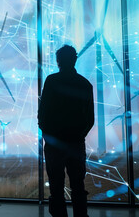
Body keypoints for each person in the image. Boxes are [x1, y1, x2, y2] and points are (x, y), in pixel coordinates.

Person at [38, 45, 94, 217]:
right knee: (78, 184)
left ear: (58, 60)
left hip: (55, 142)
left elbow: (43, 110)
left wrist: (47, 132)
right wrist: (80, 135)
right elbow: (90, 118)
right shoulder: (85, 84)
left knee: (56, 185)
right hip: (76, 142)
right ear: (75, 59)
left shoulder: (51, 81)